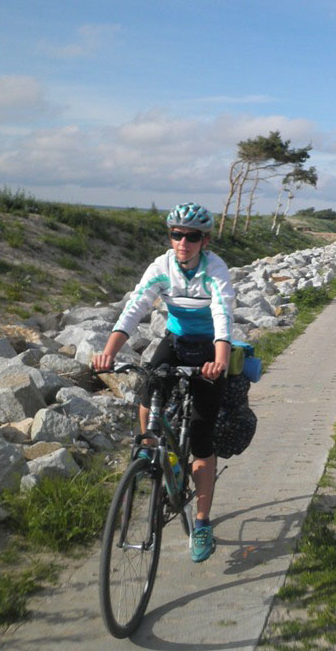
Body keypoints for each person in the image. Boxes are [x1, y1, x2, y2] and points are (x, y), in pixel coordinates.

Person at [92, 202, 233, 563]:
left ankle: (201, 523)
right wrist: (108, 352)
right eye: (176, 234)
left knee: (201, 438)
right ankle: (151, 446)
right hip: (177, 341)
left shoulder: (215, 270)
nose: (183, 242)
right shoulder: (162, 266)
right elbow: (136, 307)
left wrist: (220, 360)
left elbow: (222, 313)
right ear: (170, 236)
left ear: (205, 241)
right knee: (148, 390)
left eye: (192, 236)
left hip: (209, 349)